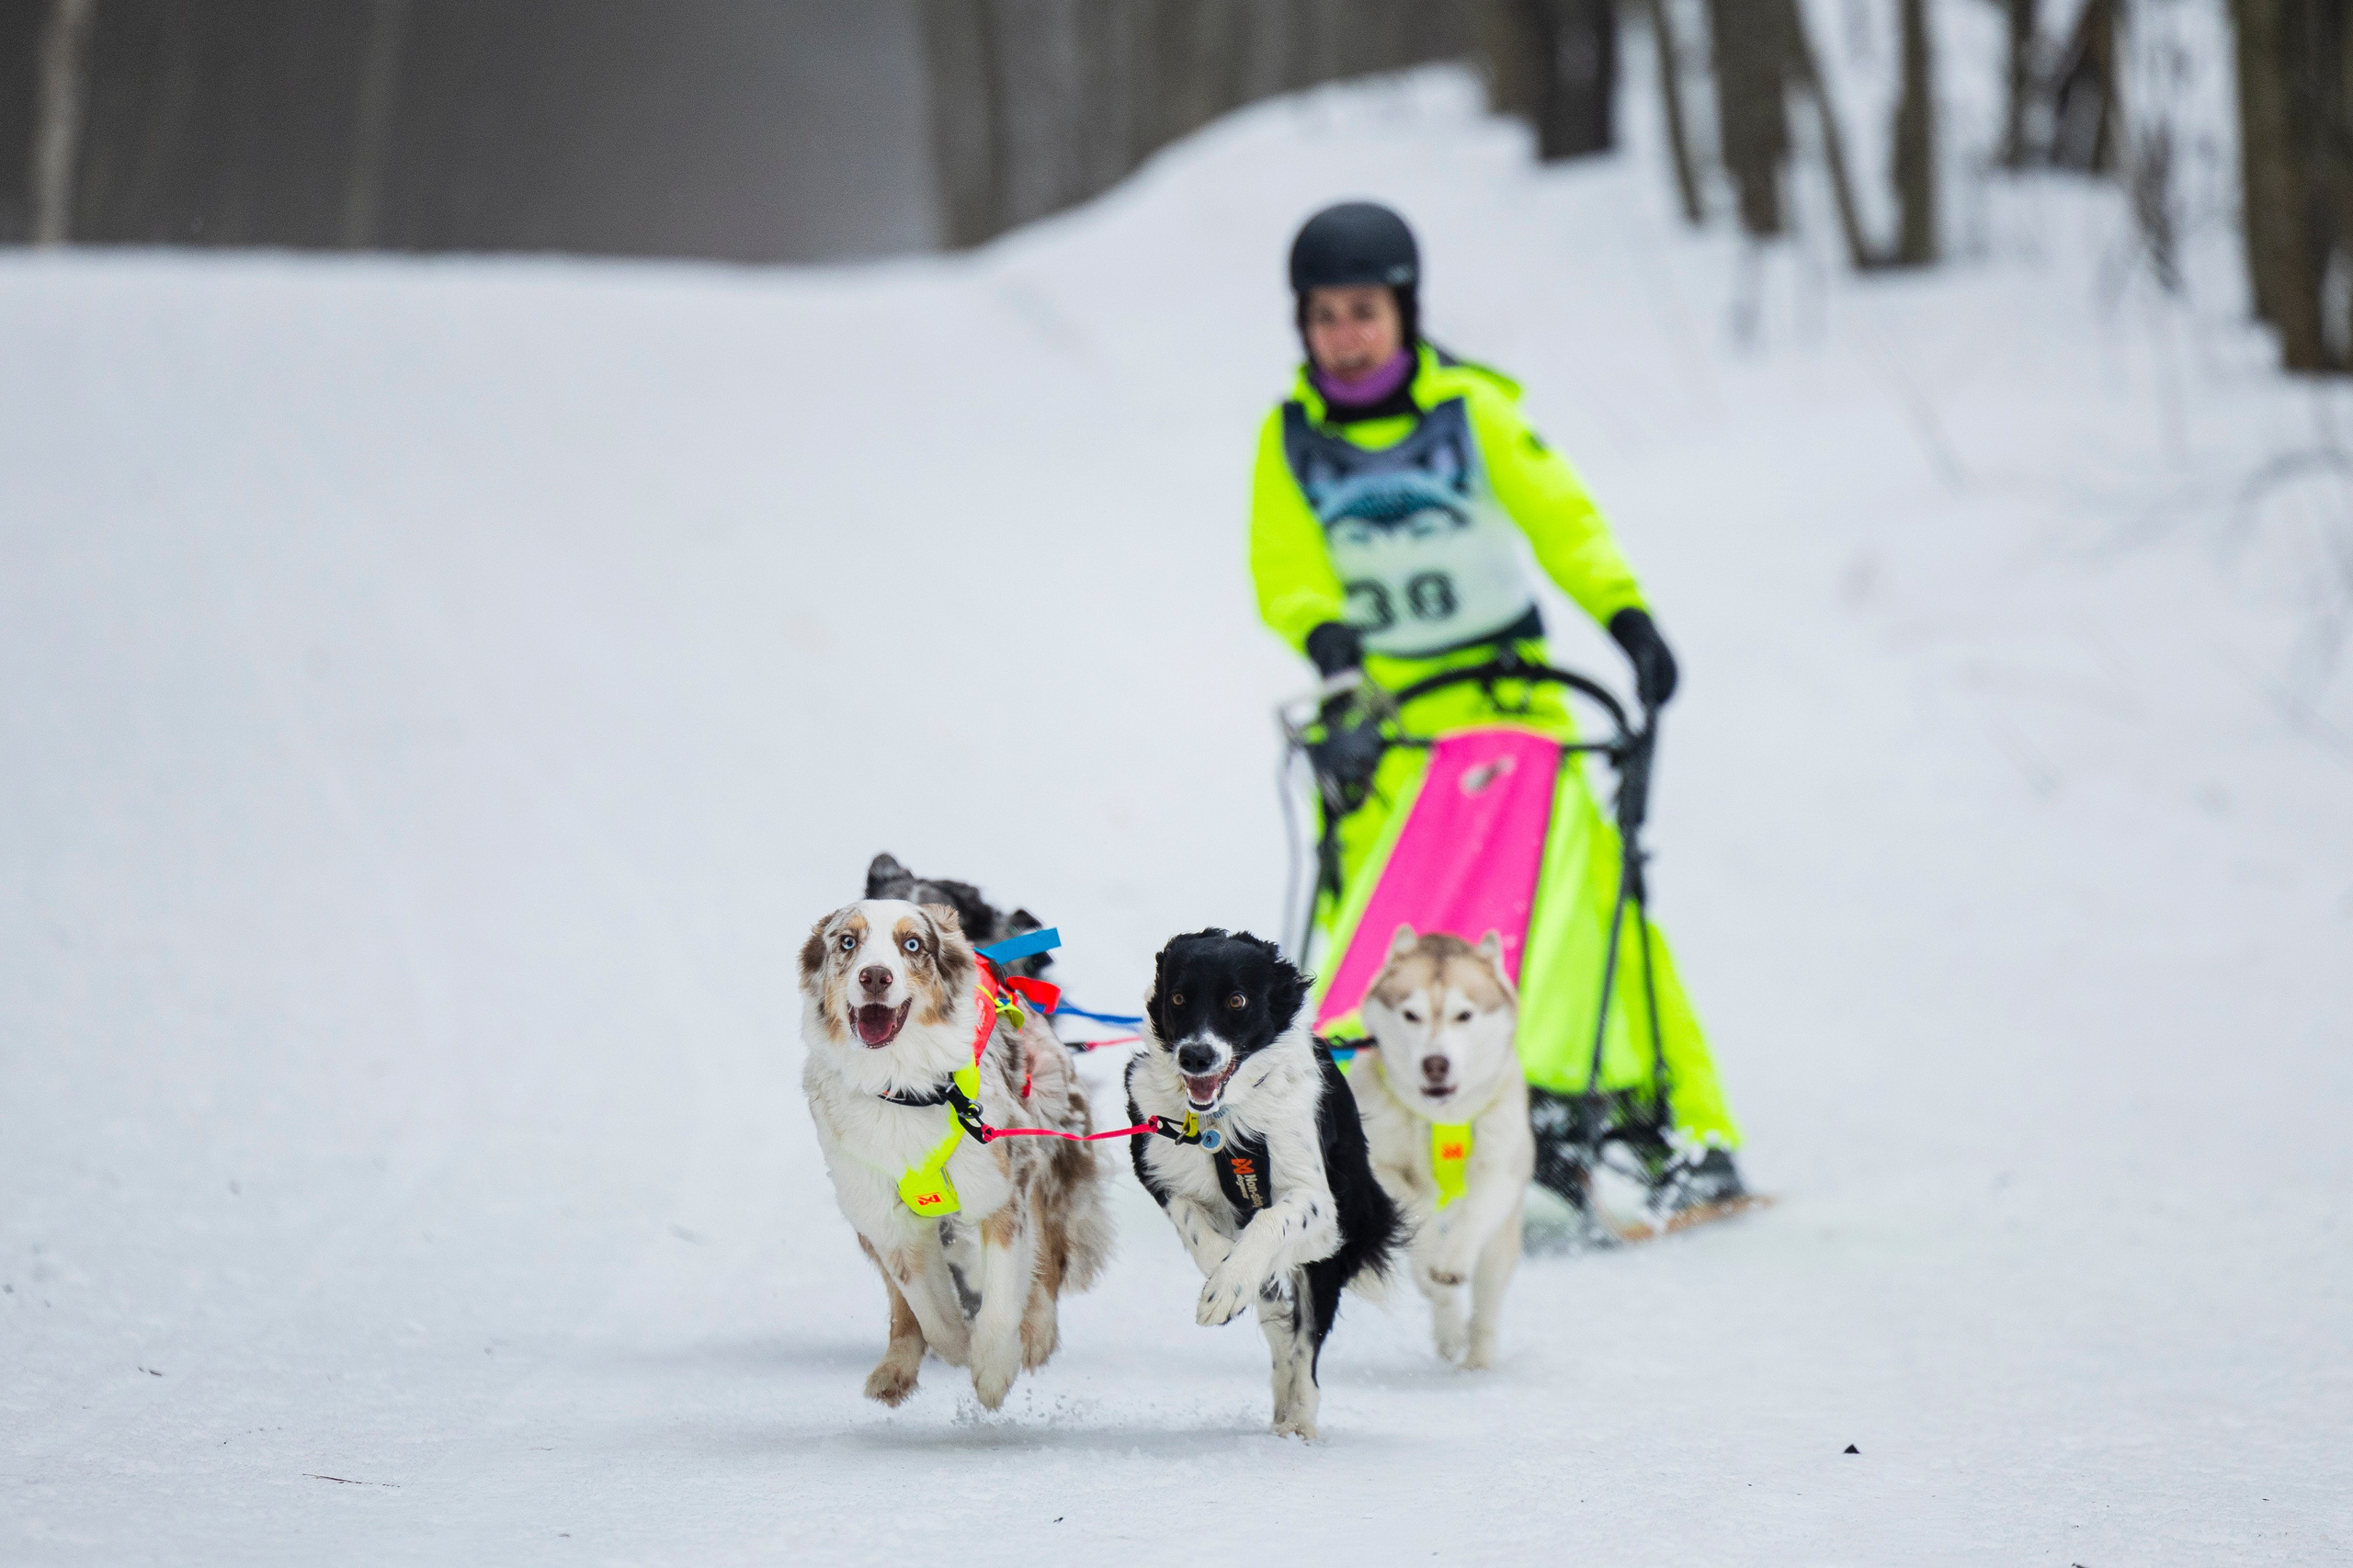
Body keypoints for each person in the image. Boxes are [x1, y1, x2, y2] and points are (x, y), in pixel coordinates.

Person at [1247, 200, 1745, 1218]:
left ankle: (1668, 1120)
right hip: (1392, 713)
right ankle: (1340, 1117)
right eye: (1324, 315)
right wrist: (1331, 642)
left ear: (1403, 310)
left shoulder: (1472, 410)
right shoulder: (1290, 437)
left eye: (1363, 310)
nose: (1345, 334)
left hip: (1513, 705)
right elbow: (1284, 565)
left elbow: (1562, 519)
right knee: (1382, 914)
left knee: (1581, 894)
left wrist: (1626, 618)